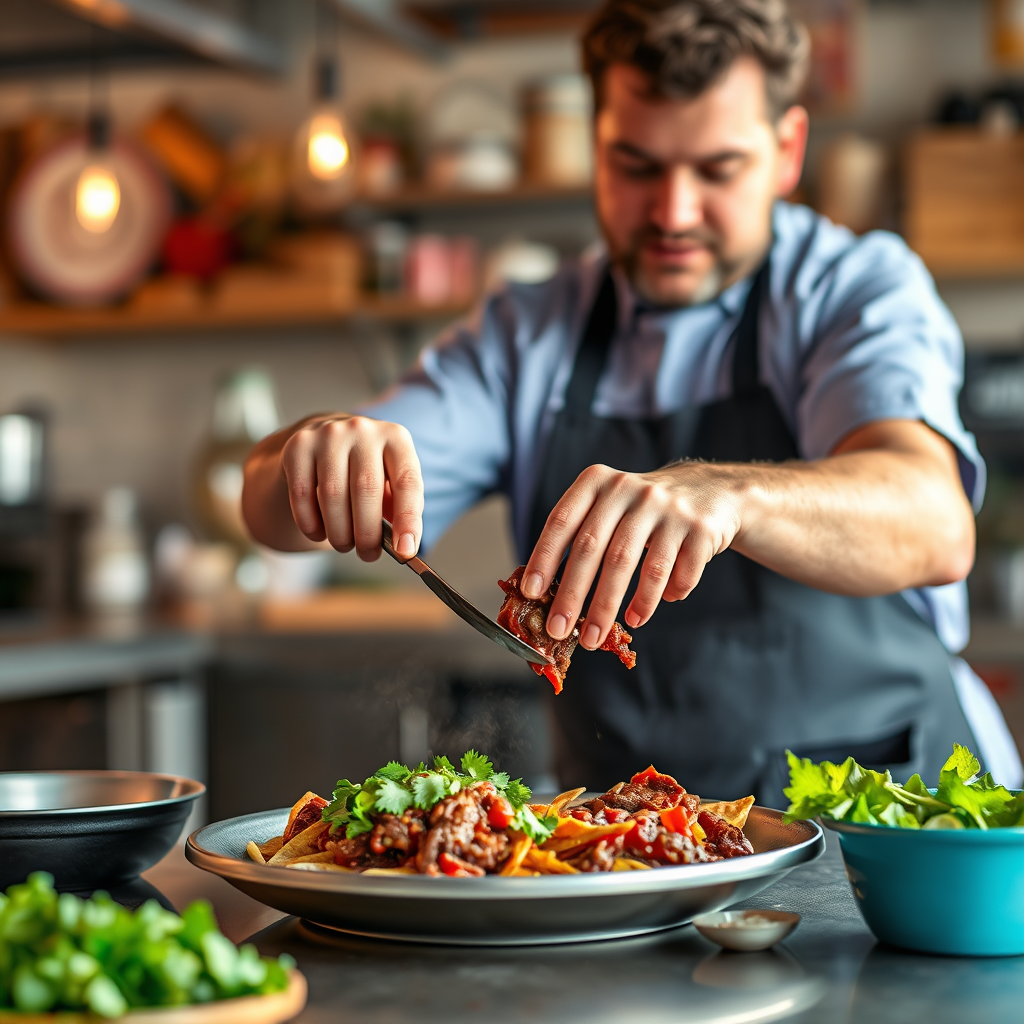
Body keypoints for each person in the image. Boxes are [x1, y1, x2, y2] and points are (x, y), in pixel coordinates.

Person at [244, 0, 1022, 803]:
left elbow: (933, 519)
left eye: (718, 168)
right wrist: (307, 456)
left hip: (891, 822)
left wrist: (731, 496)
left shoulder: (850, 289)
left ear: (788, 150)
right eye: (637, 165)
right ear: (595, 145)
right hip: (635, 850)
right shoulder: (526, 333)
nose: (673, 213)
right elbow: (271, 512)